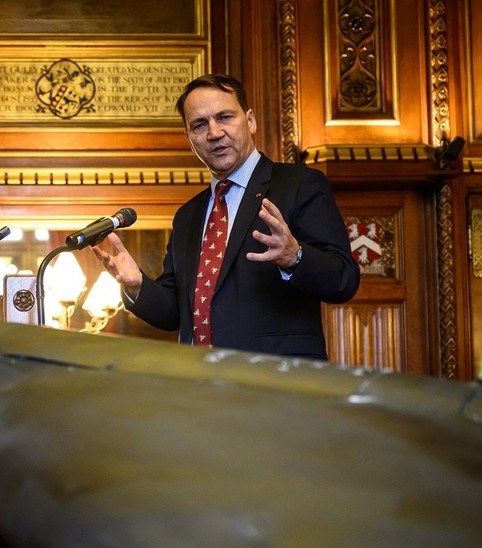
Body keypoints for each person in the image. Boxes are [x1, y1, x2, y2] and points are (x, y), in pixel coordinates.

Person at [91, 74, 359, 359]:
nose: (214, 133)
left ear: (250, 121)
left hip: (274, 377)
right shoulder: (188, 215)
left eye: (225, 117)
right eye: (200, 125)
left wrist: (296, 257)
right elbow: (175, 313)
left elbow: (344, 280)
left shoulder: (300, 185)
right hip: (201, 378)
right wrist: (137, 286)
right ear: (190, 139)